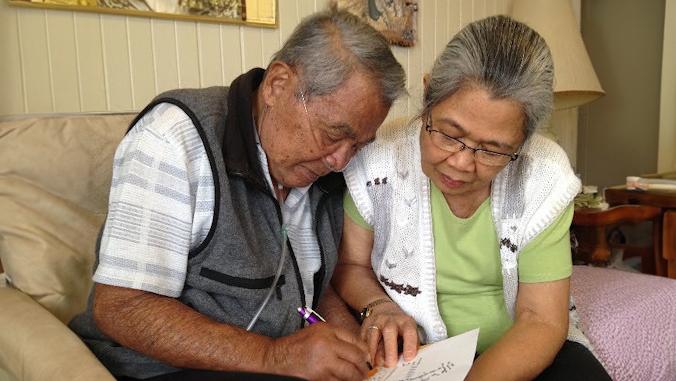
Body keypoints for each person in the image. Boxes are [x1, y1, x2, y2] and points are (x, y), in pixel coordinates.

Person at [68, 6, 406, 381]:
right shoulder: (172, 140)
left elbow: (308, 289)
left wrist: (349, 342)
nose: (341, 160)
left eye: (357, 145)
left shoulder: (315, 168)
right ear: (278, 84)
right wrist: (276, 356)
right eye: (332, 133)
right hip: (158, 370)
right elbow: (122, 307)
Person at [332, 15, 612, 381]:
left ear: (524, 143)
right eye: (449, 134)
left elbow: (541, 320)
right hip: (412, 350)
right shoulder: (379, 160)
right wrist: (379, 306)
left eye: (493, 151)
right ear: (429, 94)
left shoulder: (545, 176)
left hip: (517, 344)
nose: (462, 164)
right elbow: (351, 266)